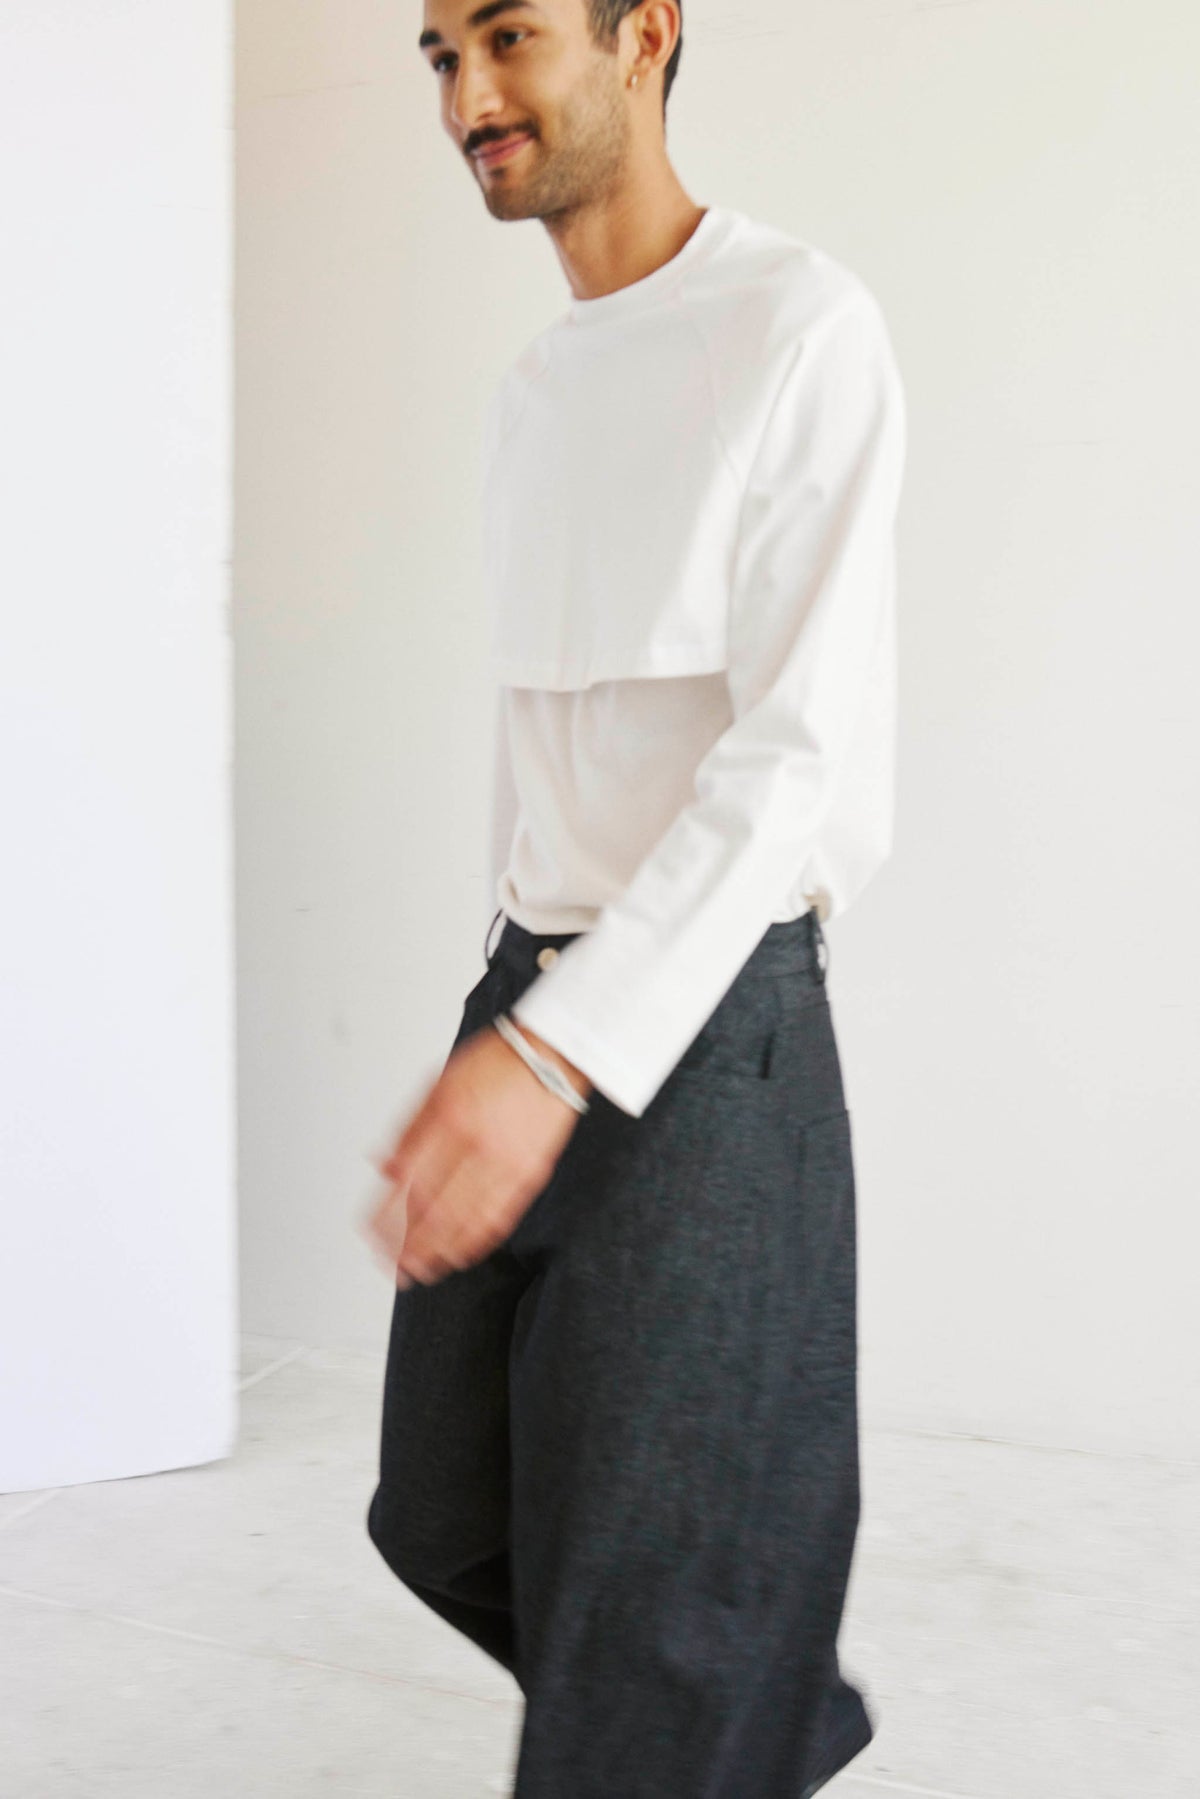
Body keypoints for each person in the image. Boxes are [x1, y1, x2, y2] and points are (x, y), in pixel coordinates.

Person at [362, 2, 907, 1793]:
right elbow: (541, 729)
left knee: (650, 1642)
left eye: (508, 35)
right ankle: (743, 1722)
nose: (470, 94)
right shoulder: (535, 388)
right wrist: (501, 1001)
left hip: (712, 1033)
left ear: (646, 34)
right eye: (440, 57)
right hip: (532, 991)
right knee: (444, 1512)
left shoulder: (800, 326)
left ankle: (707, 1721)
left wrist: (558, 1054)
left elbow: (797, 758)